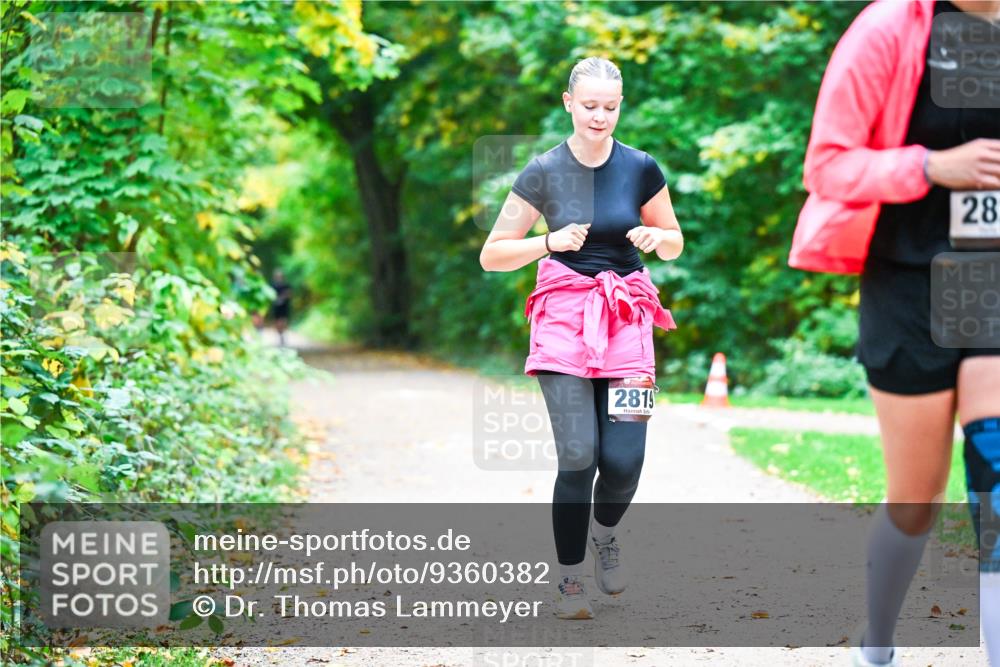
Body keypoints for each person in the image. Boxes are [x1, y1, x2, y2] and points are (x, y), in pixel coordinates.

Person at [788, 1, 1000, 664]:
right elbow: (826, 167)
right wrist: (932, 167)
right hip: (907, 280)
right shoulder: (891, 26)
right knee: (916, 501)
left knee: (995, 491)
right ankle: (877, 639)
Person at [479, 56, 683, 619]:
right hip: (564, 320)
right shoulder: (542, 171)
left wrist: (655, 235)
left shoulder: (642, 167)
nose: (600, 117)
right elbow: (492, 254)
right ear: (568, 103)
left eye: (611, 107)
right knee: (578, 455)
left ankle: (606, 535)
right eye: (589, 106)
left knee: (623, 462)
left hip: (628, 321)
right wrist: (549, 242)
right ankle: (569, 580)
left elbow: (675, 242)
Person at [268, 268, 293, 347]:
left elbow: (290, 294)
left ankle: (282, 335)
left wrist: (283, 298)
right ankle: (280, 335)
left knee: (283, 321)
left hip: (284, 306)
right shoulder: (272, 285)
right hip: (276, 307)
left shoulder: (286, 285)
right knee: (277, 322)